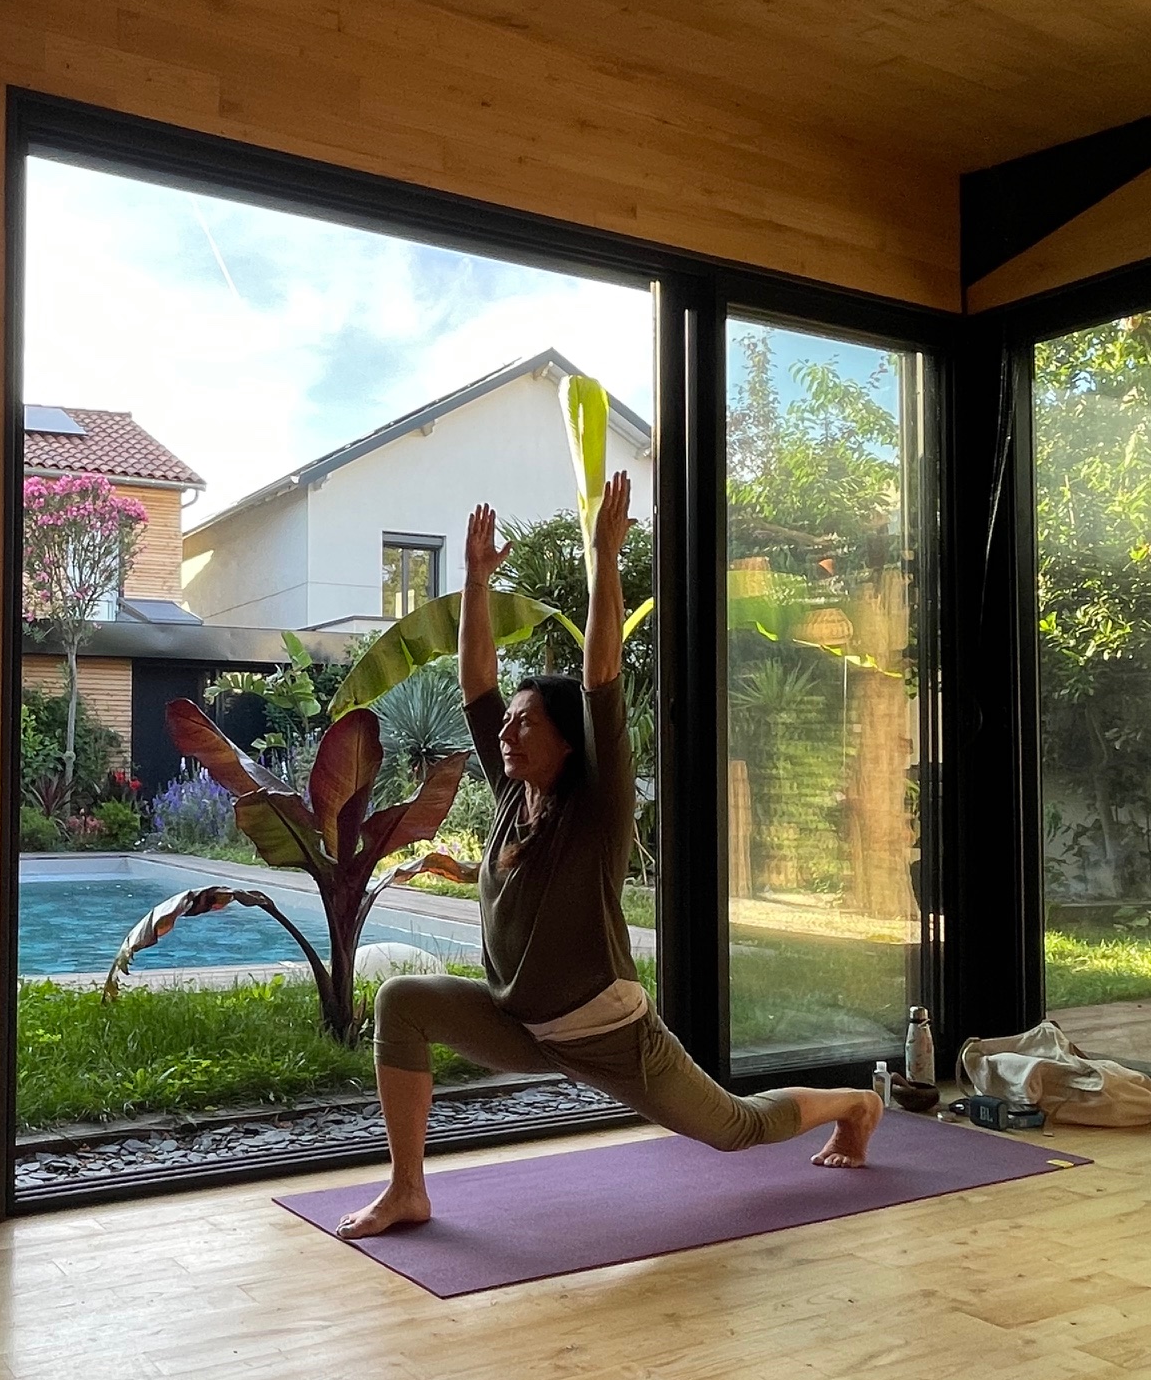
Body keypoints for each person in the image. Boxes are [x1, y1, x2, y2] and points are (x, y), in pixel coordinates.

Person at [336, 477, 882, 1240]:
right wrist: (475, 581)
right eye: (509, 724)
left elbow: (601, 681)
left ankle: (855, 1105)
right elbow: (477, 687)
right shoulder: (514, 797)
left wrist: (605, 559)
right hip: (522, 1023)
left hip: (612, 1037)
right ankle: (406, 1191)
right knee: (402, 1001)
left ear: (569, 743)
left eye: (526, 723)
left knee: (737, 1128)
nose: (506, 733)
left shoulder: (596, 809)